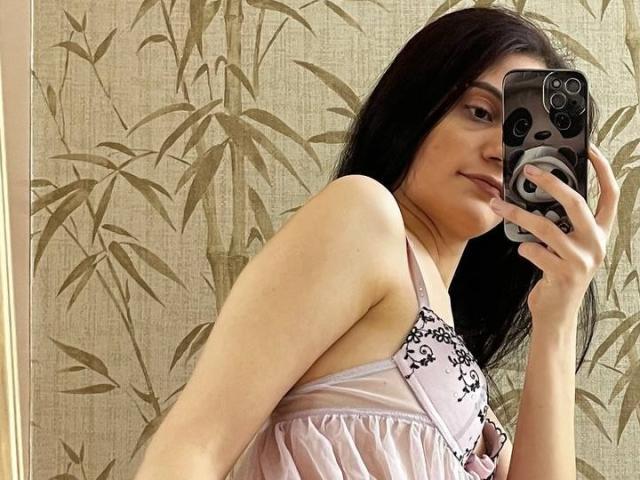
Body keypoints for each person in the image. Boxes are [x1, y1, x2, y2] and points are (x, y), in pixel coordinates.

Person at [133, 6, 619, 480]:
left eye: (523, 137)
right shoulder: (364, 216)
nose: (499, 151)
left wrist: (558, 314)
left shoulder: (461, 385)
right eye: (479, 111)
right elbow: (193, 449)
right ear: (414, 108)